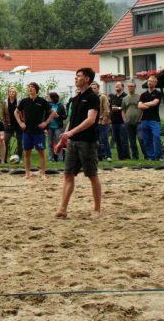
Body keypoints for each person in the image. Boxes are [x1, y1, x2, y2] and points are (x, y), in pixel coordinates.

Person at [56, 68, 102, 218]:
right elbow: (72, 121)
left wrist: (71, 133)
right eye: (76, 76)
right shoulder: (75, 99)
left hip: (87, 141)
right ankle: (62, 209)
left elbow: (91, 120)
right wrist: (63, 138)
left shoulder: (92, 97)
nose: (76, 79)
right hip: (73, 142)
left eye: (79, 76)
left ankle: (96, 209)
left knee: (92, 175)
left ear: (87, 79)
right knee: (68, 174)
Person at [16, 82, 57, 178]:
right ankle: (27, 173)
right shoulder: (24, 101)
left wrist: (46, 123)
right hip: (27, 131)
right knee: (27, 153)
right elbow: (16, 112)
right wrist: (20, 123)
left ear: (36, 89)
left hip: (38, 132)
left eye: (32, 87)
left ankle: (43, 173)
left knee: (41, 153)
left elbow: (53, 113)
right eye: (29, 87)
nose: (30, 89)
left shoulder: (42, 101)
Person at [138, 75, 163, 161]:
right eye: (148, 81)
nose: (149, 82)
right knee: (146, 139)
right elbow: (139, 106)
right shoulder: (143, 94)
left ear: (155, 83)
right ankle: (150, 156)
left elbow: (155, 103)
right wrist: (149, 104)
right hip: (144, 119)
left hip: (154, 120)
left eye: (152, 81)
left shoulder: (158, 93)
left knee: (156, 137)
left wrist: (144, 104)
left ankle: (158, 156)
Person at [121, 81, 145, 160]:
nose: (130, 88)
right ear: (127, 88)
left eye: (132, 86)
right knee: (131, 141)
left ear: (135, 87)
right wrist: (125, 120)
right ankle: (135, 156)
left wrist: (141, 118)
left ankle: (147, 155)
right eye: (129, 86)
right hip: (128, 122)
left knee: (141, 138)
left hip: (139, 122)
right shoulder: (124, 99)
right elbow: (123, 110)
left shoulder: (139, 97)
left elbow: (142, 108)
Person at [91, 81, 112, 162]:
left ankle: (108, 155)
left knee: (104, 138)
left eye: (94, 88)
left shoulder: (103, 97)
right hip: (93, 122)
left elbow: (107, 110)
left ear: (98, 88)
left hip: (102, 121)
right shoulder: (91, 97)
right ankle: (99, 156)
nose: (93, 89)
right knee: (96, 140)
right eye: (92, 88)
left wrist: (104, 120)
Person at [109, 82, 130, 160]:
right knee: (117, 140)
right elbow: (110, 108)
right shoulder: (113, 98)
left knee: (123, 140)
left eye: (118, 85)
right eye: (115, 85)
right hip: (114, 122)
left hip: (122, 121)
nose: (116, 86)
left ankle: (126, 157)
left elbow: (128, 108)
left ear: (122, 87)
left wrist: (119, 108)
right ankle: (120, 157)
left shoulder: (126, 96)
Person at [1, 86, 22, 160]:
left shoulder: (19, 101)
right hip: (9, 124)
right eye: (10, 92)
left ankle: (19, 158)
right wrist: (5, 123)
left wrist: (22, 122)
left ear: (15, 93)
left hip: (18, 124)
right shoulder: (5, 102)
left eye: (13, 92)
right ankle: (4, 159)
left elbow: (23, 112)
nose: (11, 93)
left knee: (20, 141)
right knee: (5, 141)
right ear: (8, 93)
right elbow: (3, 114)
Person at [46, 92, 66, 162]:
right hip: (49, 127)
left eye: (49, 97)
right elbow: (45, 116)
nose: (48, 98)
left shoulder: (60, 105)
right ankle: (51, 158)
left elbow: (65, 116)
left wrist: (58, 116)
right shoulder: (48, 105)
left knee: (59, 142)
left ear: (52, 97)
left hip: (58, 127)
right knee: (50, 143)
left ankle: (60, 158)